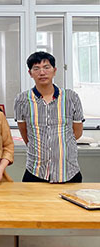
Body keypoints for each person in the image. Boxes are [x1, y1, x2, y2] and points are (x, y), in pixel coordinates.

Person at [14, 52, 84, 183]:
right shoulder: (22, 100)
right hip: (35, 171)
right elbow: (25, 133)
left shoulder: (71, 97)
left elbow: (77, 132)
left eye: (46, 67)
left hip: (68, 171)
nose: (42, 72)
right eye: (36, 68)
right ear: (30, 73)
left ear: (54, 70)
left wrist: (60, 145)